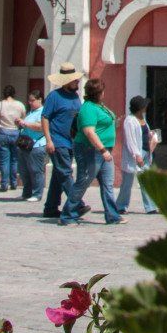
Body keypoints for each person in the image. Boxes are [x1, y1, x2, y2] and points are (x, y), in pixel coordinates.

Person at [61, 79, 122, 227]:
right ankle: (68, 215)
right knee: (83, 181)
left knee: (107, 184)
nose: (104, 93)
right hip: (90, 150)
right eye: (102, 91)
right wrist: (102, 150)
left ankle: (112, 216)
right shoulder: (88, 108)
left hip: (104, 149)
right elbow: (89, 132)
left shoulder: (100, 106)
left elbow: (102, 125)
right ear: (97, 93)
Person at [40, 63, 84, 220]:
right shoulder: (54, 96)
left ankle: (50, 208)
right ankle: (77, 204)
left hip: (71, 141)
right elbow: (45, 118)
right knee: (65, 173)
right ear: (66, 81)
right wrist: (49, 140)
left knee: (58, 175)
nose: (77, 82)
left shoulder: (75, 97)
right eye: (74, 80)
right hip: (57, 141)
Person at [116, 94, 156, 213]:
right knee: (127, 182)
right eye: (144, 105)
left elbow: (144, 132)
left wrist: (151, 135)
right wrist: (136, 155)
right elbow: (130, 140)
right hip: (136, 154)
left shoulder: (142, 118)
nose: (146, 107)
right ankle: (120, 206)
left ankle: (150, 207)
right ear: (140, 107)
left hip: (145, 152)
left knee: (146, 180)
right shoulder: (130, 121)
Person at [0, 85, 27, 193]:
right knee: (14, 159)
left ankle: (4, 184)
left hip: (3, 134)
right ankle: (14, 183)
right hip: (15, 133)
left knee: (4, 160)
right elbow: (23, 119)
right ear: (14, 93)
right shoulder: (20, 105)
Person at [18, 89, 47, 200]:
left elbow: (41, 127)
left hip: (36, 145)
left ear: (40, 100)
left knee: (36, 170)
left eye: (32, 100)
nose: (30, 102)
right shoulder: (30, 112)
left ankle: (37, 194)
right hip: (25, 145)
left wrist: (25, 123)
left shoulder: (42, 112)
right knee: (24, 171)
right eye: (29, 100)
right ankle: (27, 193)